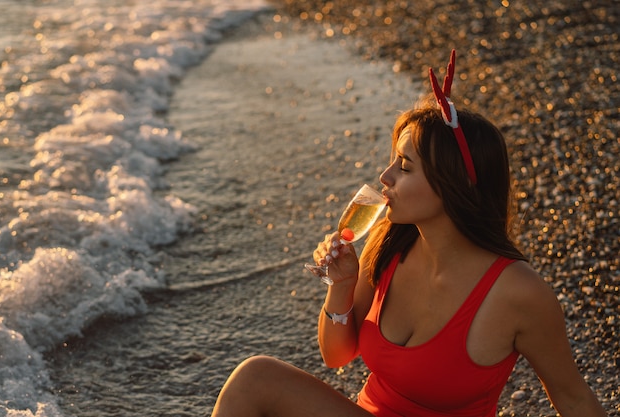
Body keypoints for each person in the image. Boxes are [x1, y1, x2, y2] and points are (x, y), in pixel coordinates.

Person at [211, 51, 607, 417]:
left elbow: (572, 397)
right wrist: (341, 285)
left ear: (452, 183)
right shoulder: (389, 244)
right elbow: (336, 356)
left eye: (404, 166)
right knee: (255, 377)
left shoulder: (517, 292)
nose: (385, 177)